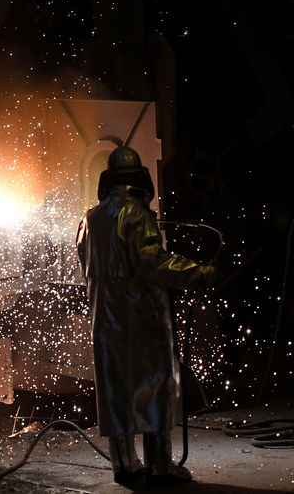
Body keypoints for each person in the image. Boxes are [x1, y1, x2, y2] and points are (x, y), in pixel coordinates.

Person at [76, 146, 222, 487]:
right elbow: (153, 264)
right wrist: (201, 273)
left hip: (104, 323)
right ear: (139, 180)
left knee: (116, 395)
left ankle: (125, 466)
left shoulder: (88, 219)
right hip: (141, 322)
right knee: (154, 391)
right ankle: (161, 467)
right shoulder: (136, 215)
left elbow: (85, 266)